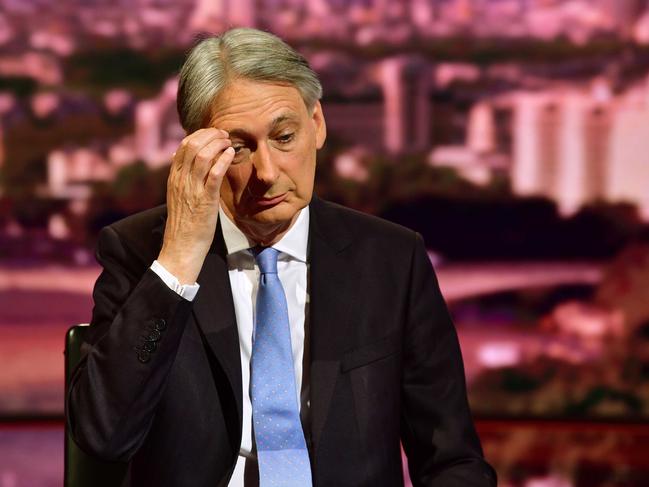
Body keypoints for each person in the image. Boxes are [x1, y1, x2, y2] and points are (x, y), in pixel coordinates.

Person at [67, 28, 497, 487]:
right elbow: (103, 436)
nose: (268, 173)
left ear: (318, 124)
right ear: (198, 151)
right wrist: (178, 260)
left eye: (285, 137)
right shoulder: (140, 253)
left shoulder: (392, 259)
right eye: (238, 148)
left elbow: (453, 461)